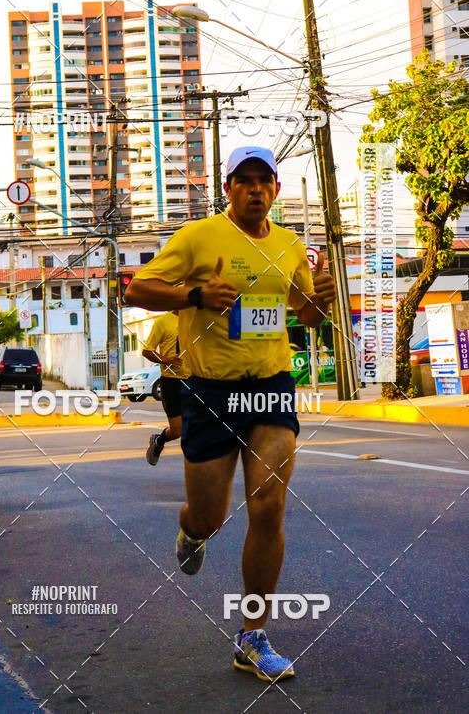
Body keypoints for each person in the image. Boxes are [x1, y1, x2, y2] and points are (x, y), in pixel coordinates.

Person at [125, 146, 335, 682]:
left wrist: (323, 301)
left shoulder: (290, 245)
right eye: (245, 180)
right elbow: (138, 289)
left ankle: (252, 637)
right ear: (228, 189)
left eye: (265, 180)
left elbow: (305, 313)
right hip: (209, 392)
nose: (256, 188)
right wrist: (196, 294)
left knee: (268, 505)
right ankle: (192, 532)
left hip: (271, 386)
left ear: (276, 189)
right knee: (209, 517)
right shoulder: (198, 237)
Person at [141, 311, 188, 465]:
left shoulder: (197, 319)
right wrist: (167, 360)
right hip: (172, 382)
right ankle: (158, 441)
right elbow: (147, 351)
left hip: (195, 380)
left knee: (201, 425)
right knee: (176, 431)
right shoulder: (162, 322)